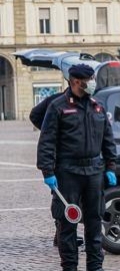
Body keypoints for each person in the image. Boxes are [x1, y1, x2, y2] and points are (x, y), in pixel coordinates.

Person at [37, 64, 117, 271]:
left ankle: (95, 267)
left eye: (92, 78)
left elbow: (108, 140)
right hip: (68, 173)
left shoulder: (97, 106)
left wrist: (111, 166)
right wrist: (48, 172)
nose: (91, 82)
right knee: (67, 224)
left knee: (94, 223)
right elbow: (47, 141)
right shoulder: (58, 107)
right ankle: (70, 267)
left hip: (94, 172)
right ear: (74, 82)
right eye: (87, 79)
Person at [30, 89, 85, 248]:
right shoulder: (56, 101)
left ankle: (61, 235)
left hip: (75, 160)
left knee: (68, 199)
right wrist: (51, 129)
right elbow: (35, 115)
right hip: (61, 160)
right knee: (63, 199)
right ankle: (62, 236)